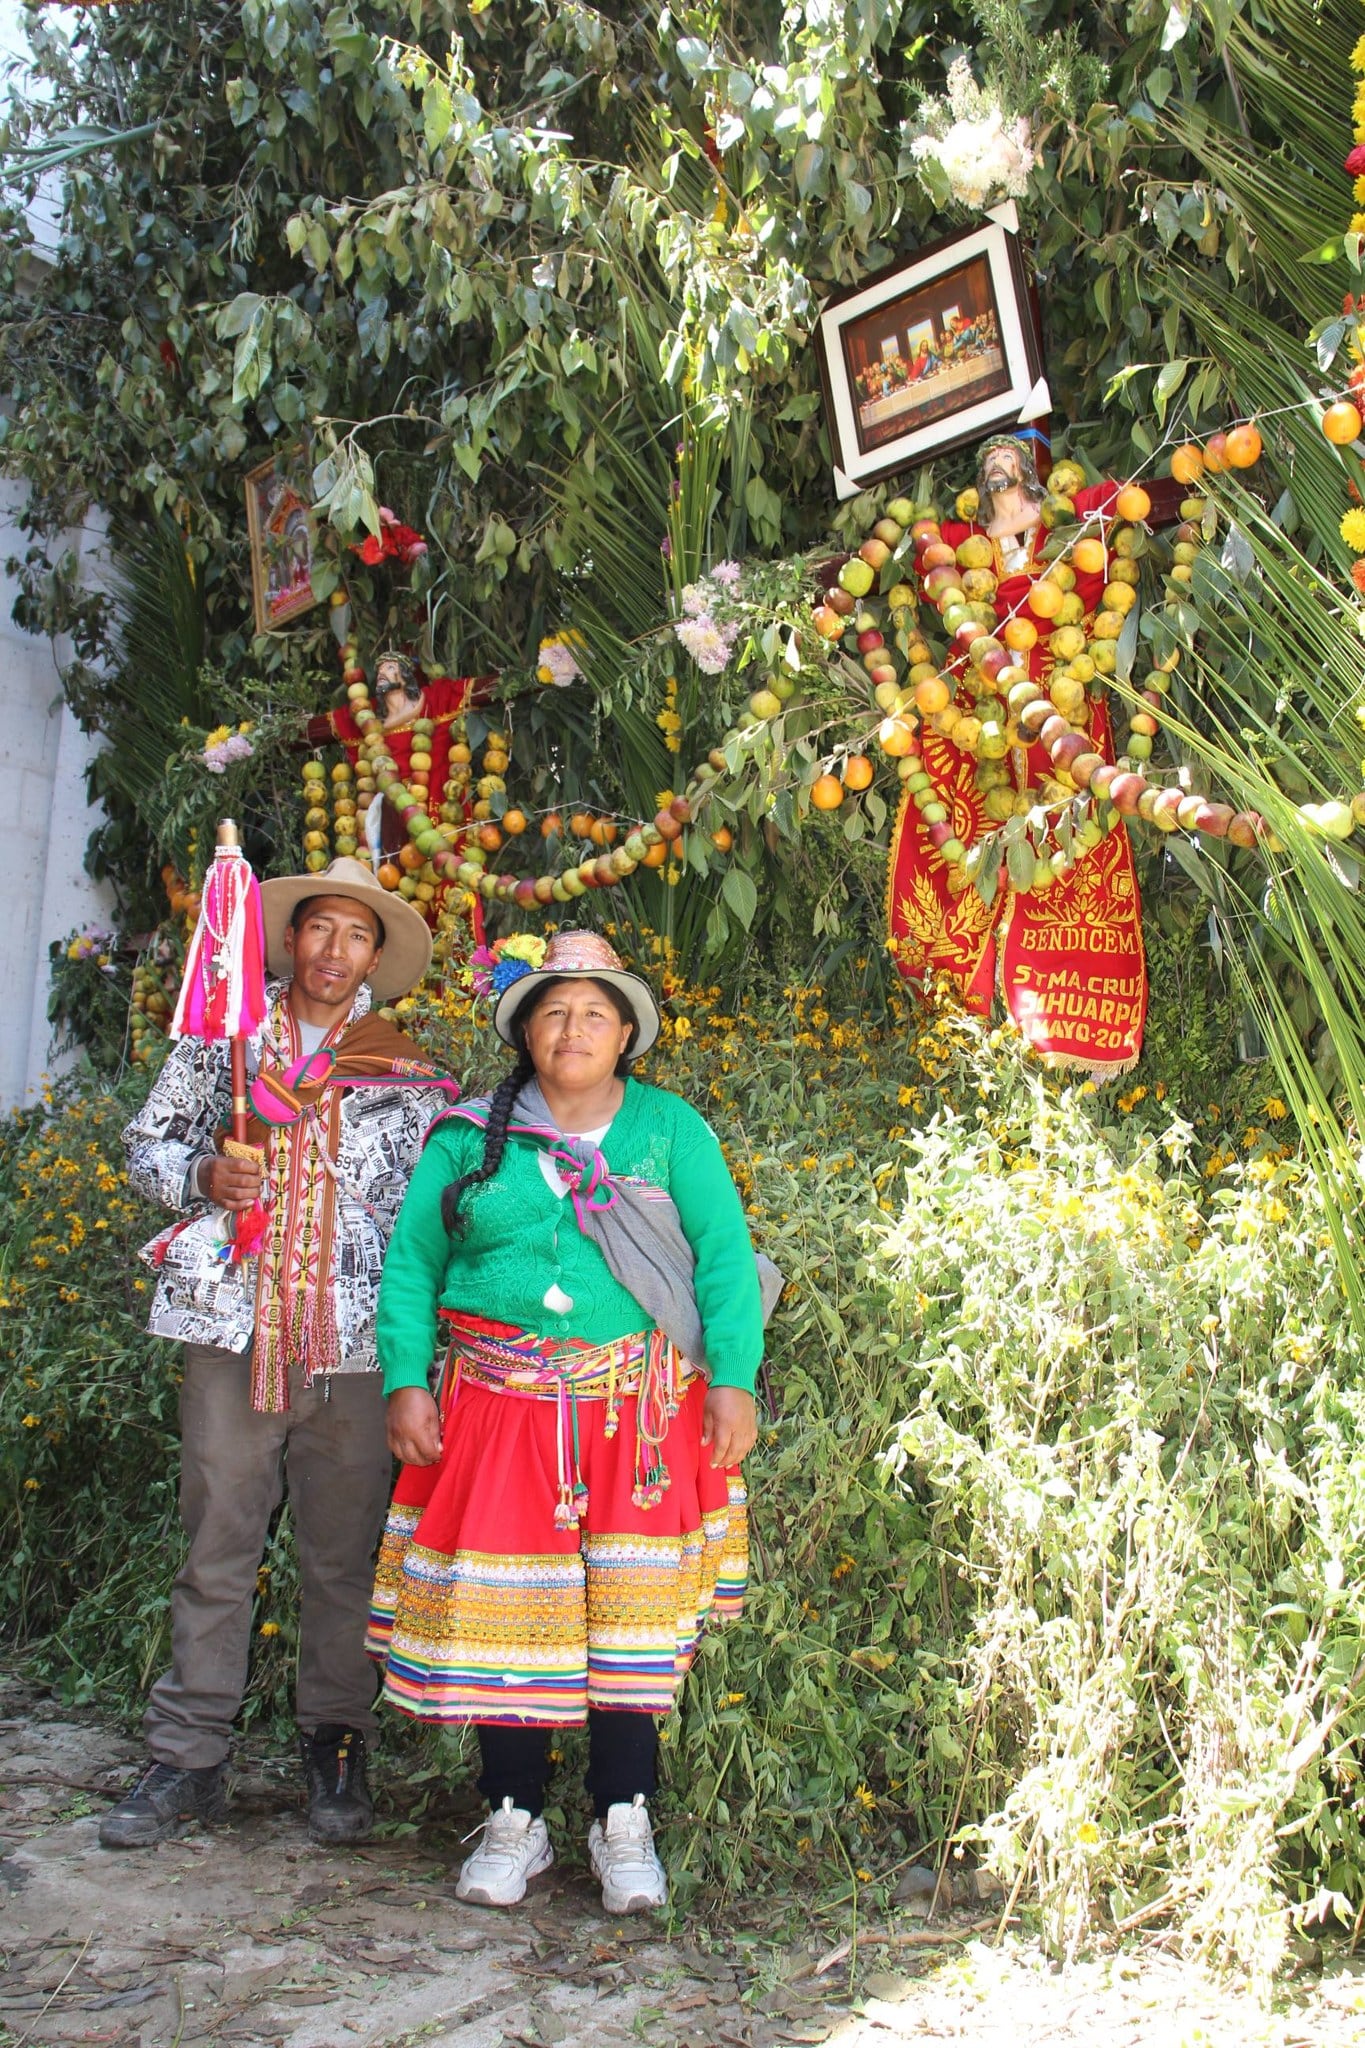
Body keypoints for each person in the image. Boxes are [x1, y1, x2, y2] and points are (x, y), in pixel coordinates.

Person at [367, 930, 765, 1914]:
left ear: (626, 1030)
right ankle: (515, 1816)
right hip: (496, 1412)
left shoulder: (671, 1130)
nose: (574, 1027)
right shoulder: (469, 1136)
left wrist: (736, 1379)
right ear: (526, 1029)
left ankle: (622, 1813)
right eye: (554, 1010)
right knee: (514, 1612)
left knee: (625, 1622)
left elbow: (721, 1258)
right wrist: (404, 1378)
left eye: (595, 1011)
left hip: (636, 1413)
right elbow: (414, 1261)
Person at [102, 857, 455, 1850]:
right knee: (219, 1539)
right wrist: (205, 1171)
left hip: (353, 1347)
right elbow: (144, 1146)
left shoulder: (407, 1075)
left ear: (377, 957)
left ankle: (335, 1746)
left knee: (341, 1559)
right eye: (319, 929)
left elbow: (435, 1220)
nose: (334, 951)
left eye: (357, 935)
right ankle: (187, 1754)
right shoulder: (223, 1038)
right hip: (231, 1327)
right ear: (290, 936)